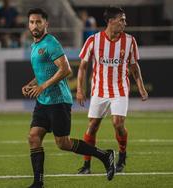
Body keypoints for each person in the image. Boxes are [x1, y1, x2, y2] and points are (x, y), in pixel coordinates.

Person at [22, 8, 115, 188]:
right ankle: (37, 183)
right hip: (43, 101)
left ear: (46, 24)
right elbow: (43, 72)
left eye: (38, 22)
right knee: (33, 137)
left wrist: (43, 86)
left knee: (63, 143)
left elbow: (66, 70)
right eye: (32, 22)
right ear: (28, 24)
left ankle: (105, 155)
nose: (35, 25)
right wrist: (32, 84)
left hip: (58, 101)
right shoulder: (34, 45)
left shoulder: (51, 43)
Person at [76, 7, 148, 174]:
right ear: (110, 21)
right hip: (99, 90)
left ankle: (122, 154)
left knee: (118, 124)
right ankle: (87, 165)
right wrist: (80, 89)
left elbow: (134, 67)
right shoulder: (93, 40)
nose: (125, 23)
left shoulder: (129, 41)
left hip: (120, 89)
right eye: (121, 20)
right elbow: (82, 67)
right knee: (92, 126)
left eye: (125, 20)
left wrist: (141, 87)